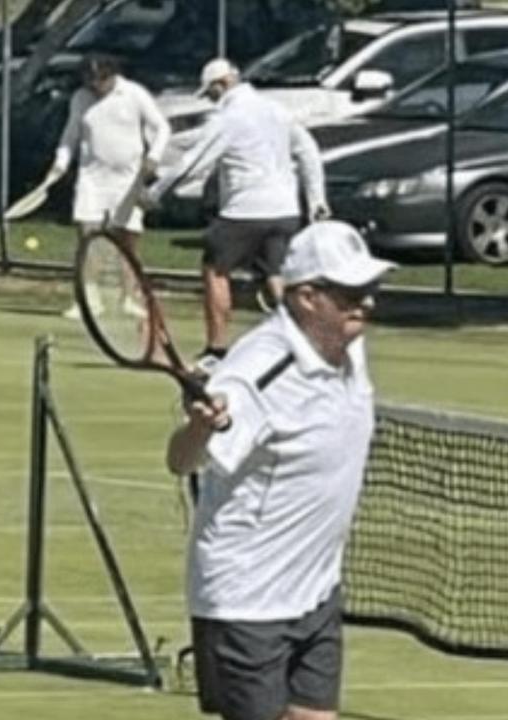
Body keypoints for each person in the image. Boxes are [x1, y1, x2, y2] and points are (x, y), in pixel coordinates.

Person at [165, 221, 393, 720]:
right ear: (308, 297)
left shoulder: (349, 345)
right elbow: (181, 461)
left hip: (317, 590)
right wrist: (202, 428)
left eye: (371, 290)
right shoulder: (259, 370)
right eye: (352, 293)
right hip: (248, 599)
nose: (367, 304)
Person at [145, 58, 329, 363]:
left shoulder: (229, 117)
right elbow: (308, 151)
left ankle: (216, 349)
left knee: (215, 271)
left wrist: (154, 193)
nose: (211, 100)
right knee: (276, 274)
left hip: (244, 210)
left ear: (222, 85)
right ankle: (305, 343)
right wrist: (317, 199)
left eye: (211, 93)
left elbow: (194, 162)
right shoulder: (276, 110)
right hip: (285, 210)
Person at [48, 54, 170, 319]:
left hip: (128, 180)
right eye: (90, 80)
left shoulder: (134, 93)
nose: (95, 85)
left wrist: (154, 157)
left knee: (128, 241)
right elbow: (70, 136)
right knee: (88, 238)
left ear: (112, 74)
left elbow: (161, 128)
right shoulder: (81, 98)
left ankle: (130, 298)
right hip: (92, 178)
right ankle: (89, 301)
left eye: (100, 79)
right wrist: (60, 163)